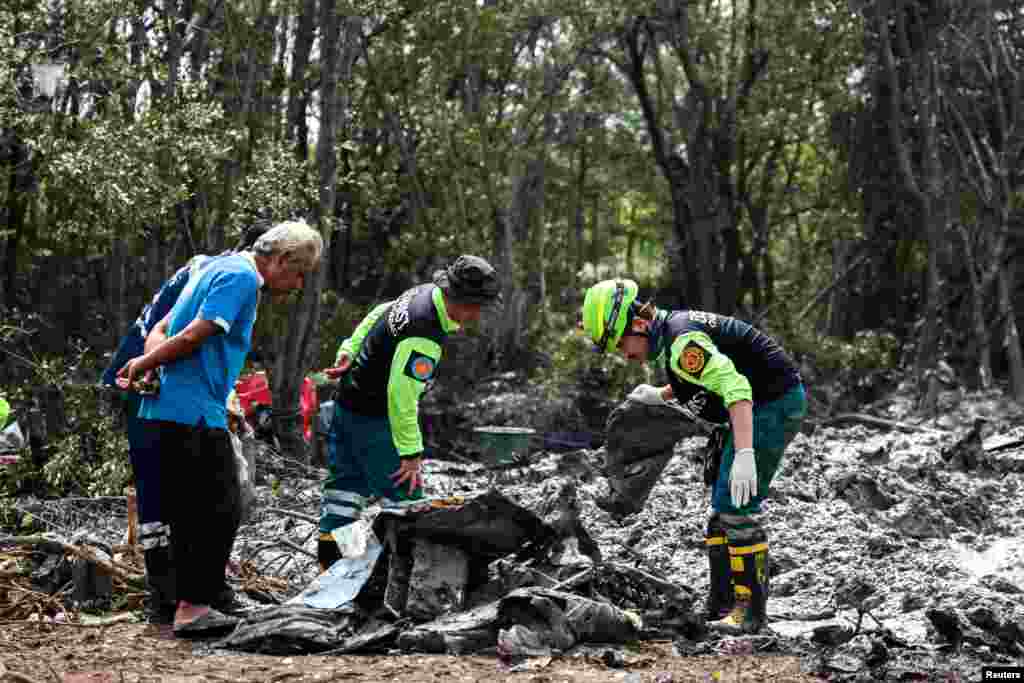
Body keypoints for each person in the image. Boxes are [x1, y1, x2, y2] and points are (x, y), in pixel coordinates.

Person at [117, 221, 323, 637]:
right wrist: (145, 365)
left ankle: (184, 603)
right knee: (220, 506)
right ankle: (193, 608)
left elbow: (162, 328)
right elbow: (195, 334)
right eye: (298, 273)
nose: (298, 284)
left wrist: (153, 364)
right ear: (281, 260)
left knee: (188, 507)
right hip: (193, 411)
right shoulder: (245, 277)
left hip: (166, 408)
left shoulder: (215, 267)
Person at [580, 279, 806, 634]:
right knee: (720, 511)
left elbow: (735, 388)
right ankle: (720, 606)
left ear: (638, 324)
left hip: (770, 405)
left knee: (736, 506)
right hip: (751, 406)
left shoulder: (684, 341)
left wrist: (745, 452)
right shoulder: (675, 336)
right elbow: (699, 380)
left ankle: (751, 616)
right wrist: (660, 394)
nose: (625, 354)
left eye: (622, 343)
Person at [100, 224, 270, 624]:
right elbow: (168, 334)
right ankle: (168, 598)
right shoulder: (222, 274)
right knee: (172, 499)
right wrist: (150, 370)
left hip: (158, 380)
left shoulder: (214, 270)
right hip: (146, 383)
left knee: (190, 498)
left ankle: (198, 594)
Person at [316, 255, 502, 571]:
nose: (477, 316)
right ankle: (402, 580)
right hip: (376, 420)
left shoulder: (424, 292)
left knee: (344, 495)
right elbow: (401, 396)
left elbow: (379, 312)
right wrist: (411, 451)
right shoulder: (424, 335)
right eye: (478, 308)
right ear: (463, 301)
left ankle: (335, 574)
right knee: (407, 504)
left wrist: (349, 348)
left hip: (347, 404)